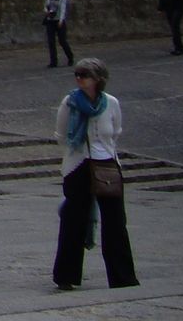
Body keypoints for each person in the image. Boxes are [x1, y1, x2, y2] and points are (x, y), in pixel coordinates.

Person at [52, 57, 137, 291]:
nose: (79, 79)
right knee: (73, 222)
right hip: (78, 165)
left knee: (116, 222)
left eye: (85, 75)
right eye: (77, 75)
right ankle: (66, 276)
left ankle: (122, 277)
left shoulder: (111, 103)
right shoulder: (70, 102)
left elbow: (116, 131)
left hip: (107, 164)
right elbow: (60, 134)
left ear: (98, 79)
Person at [43, 0, 75, 68]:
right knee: (51, 42)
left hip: (58, 20)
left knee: (62, 41)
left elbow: (63, 9)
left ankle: (70, 57)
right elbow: (45, 6)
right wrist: (46, 11)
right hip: (50, 20)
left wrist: (61, 20)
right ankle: (53, 61)